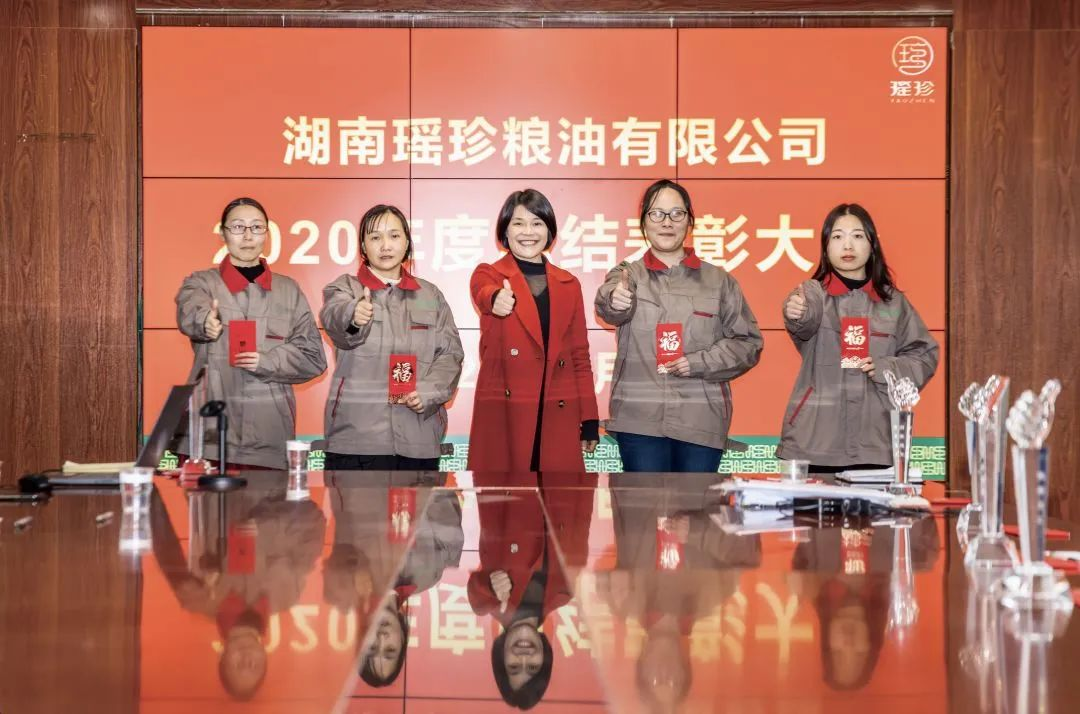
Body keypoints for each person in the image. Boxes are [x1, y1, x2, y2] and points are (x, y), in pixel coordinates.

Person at [595, 179, 763, 472]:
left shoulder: (719, 281)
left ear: (689, 221)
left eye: (677, 213)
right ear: (644, 222)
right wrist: (616, 300)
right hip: (640, 421)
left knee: (697, 502)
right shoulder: (627, 275)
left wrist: (698, 362)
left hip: (701, 419)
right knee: (639, 501)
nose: (667, 222)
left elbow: (747, 343)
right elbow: (608, 304)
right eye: (656, 214)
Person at [777, 203, 939, 472]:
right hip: (815, 442)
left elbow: (924, 355)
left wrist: (887, 367)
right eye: (837, 236)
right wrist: (795, 311)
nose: (848, 245)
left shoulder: (894, 303)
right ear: (826, 247)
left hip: (876, 440)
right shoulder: (813, 294)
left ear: (872, 245)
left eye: (857, 236)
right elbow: (803, 321)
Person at [175, 197, 326, 469]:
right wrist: (205, 321)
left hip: (269, 439)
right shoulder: (201, 283)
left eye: (256, 227)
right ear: (223, 234)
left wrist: (266, 361)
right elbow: (190, 310)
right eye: (237, 227)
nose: (247, 236)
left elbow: (313, 357)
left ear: (267, 234)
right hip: (209, 439)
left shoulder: (288, 290)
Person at [320, 204, 463, 470]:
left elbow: (450, 355)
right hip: (357, 441)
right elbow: (334, 319)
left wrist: (428, 393)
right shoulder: (346, 288)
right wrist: (354, 315)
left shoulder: (430, 295)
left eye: (394, 236)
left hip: (418, 438)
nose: (385, 245)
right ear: (363, 247)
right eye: (375, 237)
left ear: (407, 242)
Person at [468, 189, 599, 472]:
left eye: (537, 223)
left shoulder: (569, 283)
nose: (528, 232)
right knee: (505, 495)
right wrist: (495, 298)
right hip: (506, 413)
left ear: (549, 230)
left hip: (558, 411)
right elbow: (483, 292)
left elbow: (579, 355)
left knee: (558, 496)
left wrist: (589, 417)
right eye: (518, 223)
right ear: (505, 230)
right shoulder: (489, 274)